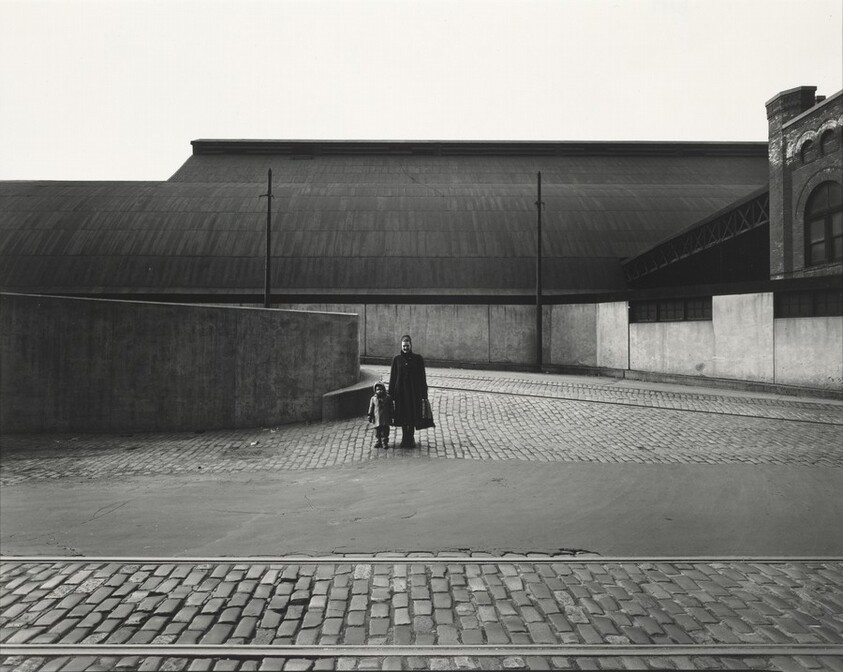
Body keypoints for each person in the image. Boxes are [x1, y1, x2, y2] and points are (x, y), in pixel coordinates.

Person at [388, 334, 429, 448]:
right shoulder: (397, 359)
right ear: (401, 346)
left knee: (412, 415)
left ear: (411, 345)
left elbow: (422, 377)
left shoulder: (418, 359)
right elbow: (393, 377)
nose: (405, 348)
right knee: (402, 415)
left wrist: (424, 393)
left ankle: (410, 438)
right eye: (404, 346)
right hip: (400, 393)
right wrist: (390, 394)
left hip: (414, 393)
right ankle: (404, 437)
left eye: (407, 345)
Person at [367, 381, 393, 449]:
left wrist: (392, 415)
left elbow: (391, 407)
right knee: (377, 431)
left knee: (385, 431)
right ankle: (378, 441)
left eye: (381, 389)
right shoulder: (373, 399)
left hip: (385, 417)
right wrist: (370, 415)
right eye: (377, 390)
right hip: (377, 417)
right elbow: (371, 407)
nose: (379, 391)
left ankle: (384, 441)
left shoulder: (388, 398)